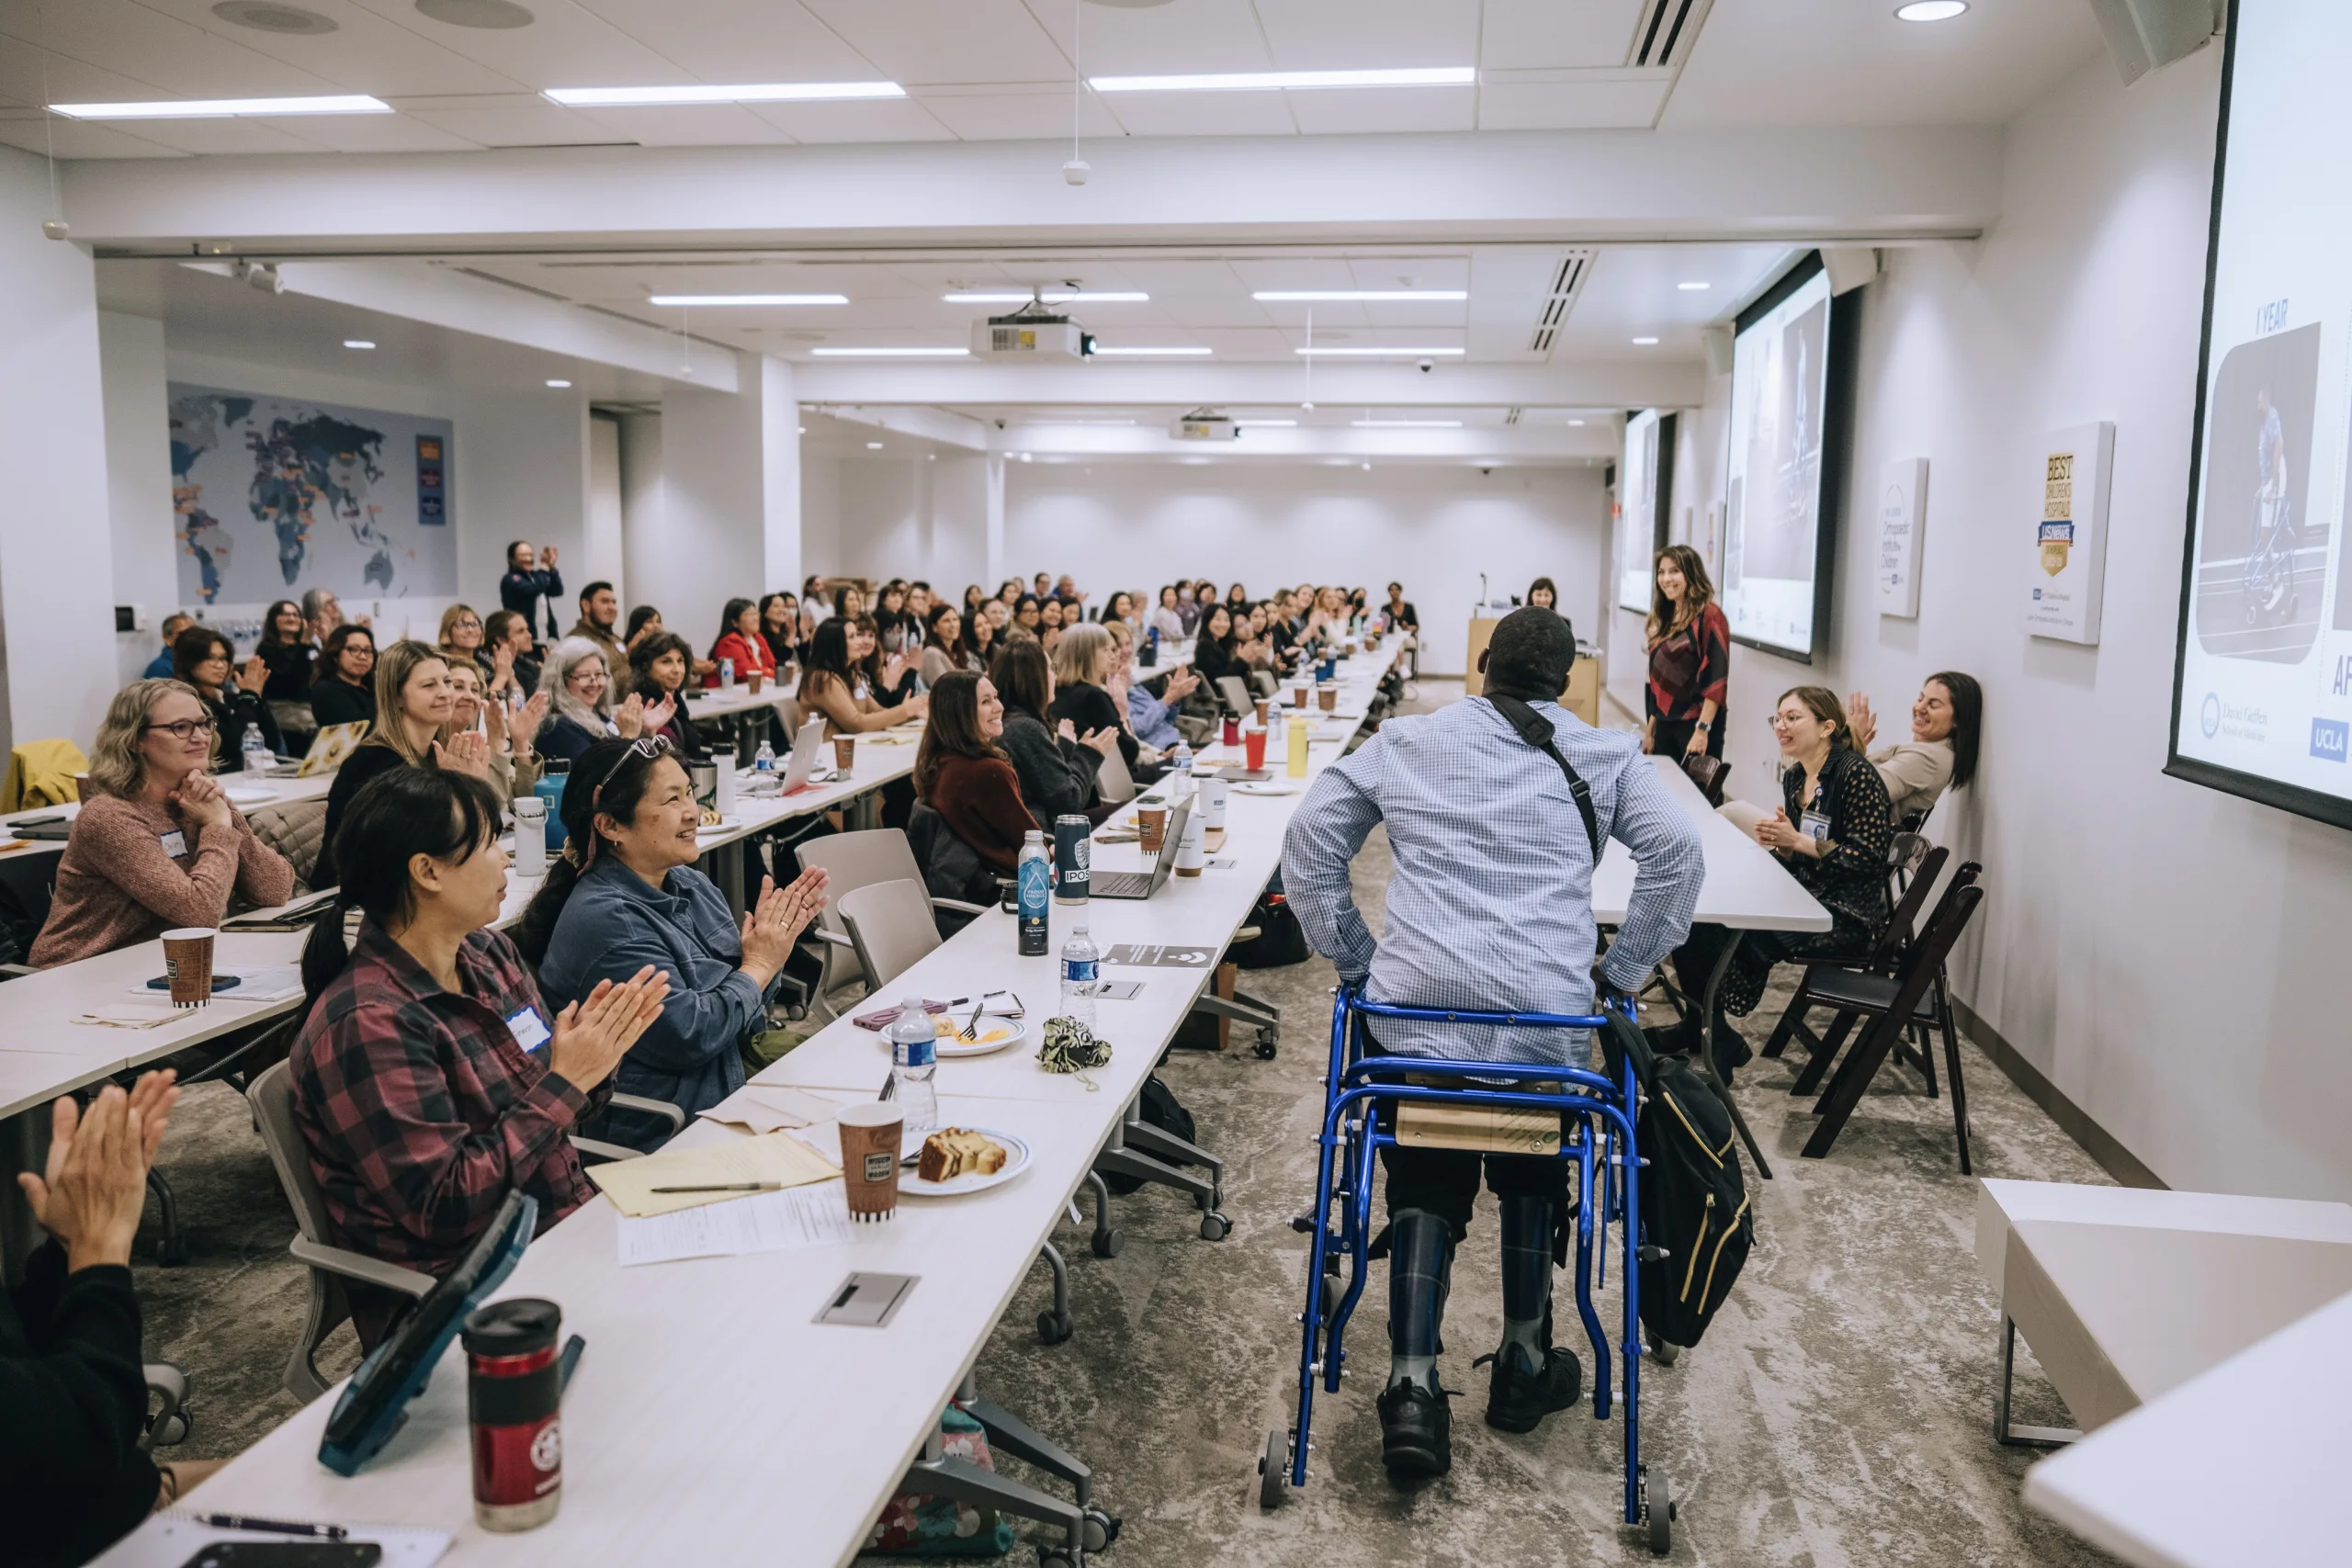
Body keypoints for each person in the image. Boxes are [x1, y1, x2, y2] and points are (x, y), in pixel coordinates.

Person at [1281, 607, 1703, 1478]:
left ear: (1482, 664)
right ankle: (1523, 1362)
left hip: (1413, 1031)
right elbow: (1678, 854)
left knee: (1423, 1165)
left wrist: (1358, 958)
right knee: (1536, 1156)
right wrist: (1622, 972)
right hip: (1547, 1031)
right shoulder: (1605, 753)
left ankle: (1410, 1385)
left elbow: (1312, 834)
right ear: (1566, 682)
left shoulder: (1407, 740)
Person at [292, 767, 670, 1346]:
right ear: (427, 872)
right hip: (470, 1298)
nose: (505, 860)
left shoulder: (487, 955)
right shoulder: (369, 1025)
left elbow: (554, 1097)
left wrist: (594, 1056)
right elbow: (446, 1207)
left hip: (560, 1232)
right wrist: (566, 1083)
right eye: (490, 843)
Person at [518, 739, 829, 1149]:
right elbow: (693, 1036)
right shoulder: (609, 921)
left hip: (730, 1080)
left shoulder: (688, 882)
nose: (692, 812)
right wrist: (759, 966)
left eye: (689, 793)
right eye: (671, 800)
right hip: (675, 1126)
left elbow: (749, 1003)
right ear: (610, 826)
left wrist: (772, 948)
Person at [5, 1069, 231, 1567]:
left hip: (114, 1500)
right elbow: (77, 1446)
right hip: (96, 1534)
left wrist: (68, 1251)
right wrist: (100, 1252)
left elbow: (21, 1358)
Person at [1673, 687, 1894, 1073]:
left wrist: (1798, 842)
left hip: (1842, 915)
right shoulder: (1796, 777)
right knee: (1693, 909)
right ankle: (1703, 1029)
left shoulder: (1856, 774)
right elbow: (1801, 853)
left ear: (1826, 727)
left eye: (1793, 718)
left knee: (1713, 929)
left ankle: (1715, 1037)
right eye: (1778, 718)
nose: (1781, 726)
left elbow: (1869, 857)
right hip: (1801, 894)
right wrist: (1786, 846)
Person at [30, 680, 295, 965]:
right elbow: (200, 914)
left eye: (204, 723)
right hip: (82, 969)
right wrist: (218, 826)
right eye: (181, 727)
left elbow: (275, 890)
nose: (200, 737)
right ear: (135, 740)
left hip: (162, 962)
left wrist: (225, 815)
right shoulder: (109, 816)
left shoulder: (202, 800)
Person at [314, 640, 495, 890]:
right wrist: (460, 792)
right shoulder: (373, 762)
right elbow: (420, 847)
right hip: (349, 895)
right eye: (429, 685)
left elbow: (486, 833)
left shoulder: (437, 754)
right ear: (397, 696)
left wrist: (471, 786)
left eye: (447, 682)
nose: (445, 693)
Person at [916, 672, 1037, 871]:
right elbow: (1033, 846)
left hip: (973, 878)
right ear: (960, 713)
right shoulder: (986, 772)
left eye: (996, 697)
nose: (1000, 707)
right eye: (986, 702)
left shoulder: (938, 763)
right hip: (1009, 882)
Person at [990, 639, 1117, 829]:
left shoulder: (1014, 723)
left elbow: (1048, 784)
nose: (1055, 676)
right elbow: (1070, 801)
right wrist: (1089, 754)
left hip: (1046, 826)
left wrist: (1065, 749)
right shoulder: (1024, 729)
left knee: (1128, 809)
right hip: (1047, 834)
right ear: (1033, 677)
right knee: (1131, 812)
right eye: (1050, 669)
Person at [1847, 671, 1981, 825]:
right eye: (1921, 699)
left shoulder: (1927, 758)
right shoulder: (1928, 749)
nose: (1920, 708)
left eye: (1933, 705)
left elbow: (1856, 792)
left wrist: (1850, 739)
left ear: (1957, 719)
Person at [1642, 545, 1732, 762]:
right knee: (1663, 783)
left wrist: (1702, 730)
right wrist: (1649, 731)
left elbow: (1716, 681)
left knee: (1695, 785)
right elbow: (1658, 683)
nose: (1666, 579)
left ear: (1691, 574)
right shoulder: (1665, 615)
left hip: (1696, 724)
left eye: (1674, 571)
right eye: (1661, 572)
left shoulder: (1710, 616)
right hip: (1664, 723)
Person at [1050, 623, 1156, 778]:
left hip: (1084, 777)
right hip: (1117, 778)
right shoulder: (1094, 696)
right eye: (1106, 650)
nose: (1112, 656)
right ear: (1088, 654)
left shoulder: (1056, 692)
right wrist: (1122, 713)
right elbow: (1129, 751)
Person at [535, 637, 662, 764]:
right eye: (584, 676)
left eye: (599, 674)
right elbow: (597, 773)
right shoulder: (558, 728)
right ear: (561, 682)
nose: (595, 683)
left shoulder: (598, 717)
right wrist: (628, 736)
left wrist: (645, 733)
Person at [174, 625, 282, 764]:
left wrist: (256, 697)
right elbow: (235, 743)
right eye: (211, 658)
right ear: (190, 662)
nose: (220, 665)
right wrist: (249, 695)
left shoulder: (228, 697)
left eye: (223, 658)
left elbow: (273, 741)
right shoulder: (188, 702)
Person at [797, 618, 924, 737]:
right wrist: (904, 711)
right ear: (835, 644)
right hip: (826, 751)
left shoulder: (851, 674)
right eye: (852, 637)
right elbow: (856, 724)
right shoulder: (822, 678)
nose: (860, 642)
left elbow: (877, 711)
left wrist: (914, 711)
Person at [448, 659, 548, 802]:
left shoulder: (476, 747)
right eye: (458, 686)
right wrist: (495, 742)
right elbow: (494, 806)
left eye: (475, 690)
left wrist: (520, 742)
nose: (470, 696)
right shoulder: (428, 749)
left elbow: (526, 801)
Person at [630, 632, 710, 760]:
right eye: (666, 661)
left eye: (680, 661)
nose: (677, 670)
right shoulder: (646, 707)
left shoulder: (676, 701)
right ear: (645, 667)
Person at [309, 624, 378, 729]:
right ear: (335, 655)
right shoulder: (327, 689)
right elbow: (357, 729)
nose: (363, 657)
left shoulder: (371, 687)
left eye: (368, 651)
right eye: (354, 649)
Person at [705, 597, 777, 690]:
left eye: (756, 613)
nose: (756, 618)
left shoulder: (758, 638)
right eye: (750, 614)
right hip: (728, 693)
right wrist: (770, 673)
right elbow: (748, 673)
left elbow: (773, 665)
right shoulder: (730, 642)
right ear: (735, 622)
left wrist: (771, 673)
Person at [499, 540, 564, 641]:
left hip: (545, 637)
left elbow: (557, 591)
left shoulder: (536, 577)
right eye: (523, 555)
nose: (528, 559)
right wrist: (544, 568)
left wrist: (552, 568)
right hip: (524, 638)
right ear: (512, 559)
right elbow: (532, 590)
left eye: (531, 555)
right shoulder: (510, 579)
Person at [567, 581, 627, 677]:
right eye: (605, 601)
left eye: (614, 602)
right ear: (586, 605)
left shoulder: (615, 638)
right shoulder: (576, 643)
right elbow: (595, 683)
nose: (612, 608)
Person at [437, 604, 494, 682]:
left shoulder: (482, 658)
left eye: (475, 624)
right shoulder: (443, 665)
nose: (470, 630)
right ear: (448, 631)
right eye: (462, 625)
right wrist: (501, 677)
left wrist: (508, 673)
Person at [920, 603, 973, 686]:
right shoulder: (932, 653)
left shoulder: (958, 653)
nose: (953, 625)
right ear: (934, 627)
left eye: (955, 619)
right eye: (946, 621)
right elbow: (941, 688)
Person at [759, 592, 801, 673]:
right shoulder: (762, 637)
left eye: (783, 606)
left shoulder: (784, 634)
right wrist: (792, 634)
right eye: (776, 606)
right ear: (765, 612)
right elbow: (780, 660)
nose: (782, 610)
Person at [141, 612, 194, 680]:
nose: (191, 638)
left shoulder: (193, 663)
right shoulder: (160, 669)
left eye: (194, 633)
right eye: (183, 634)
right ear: (167, 639)